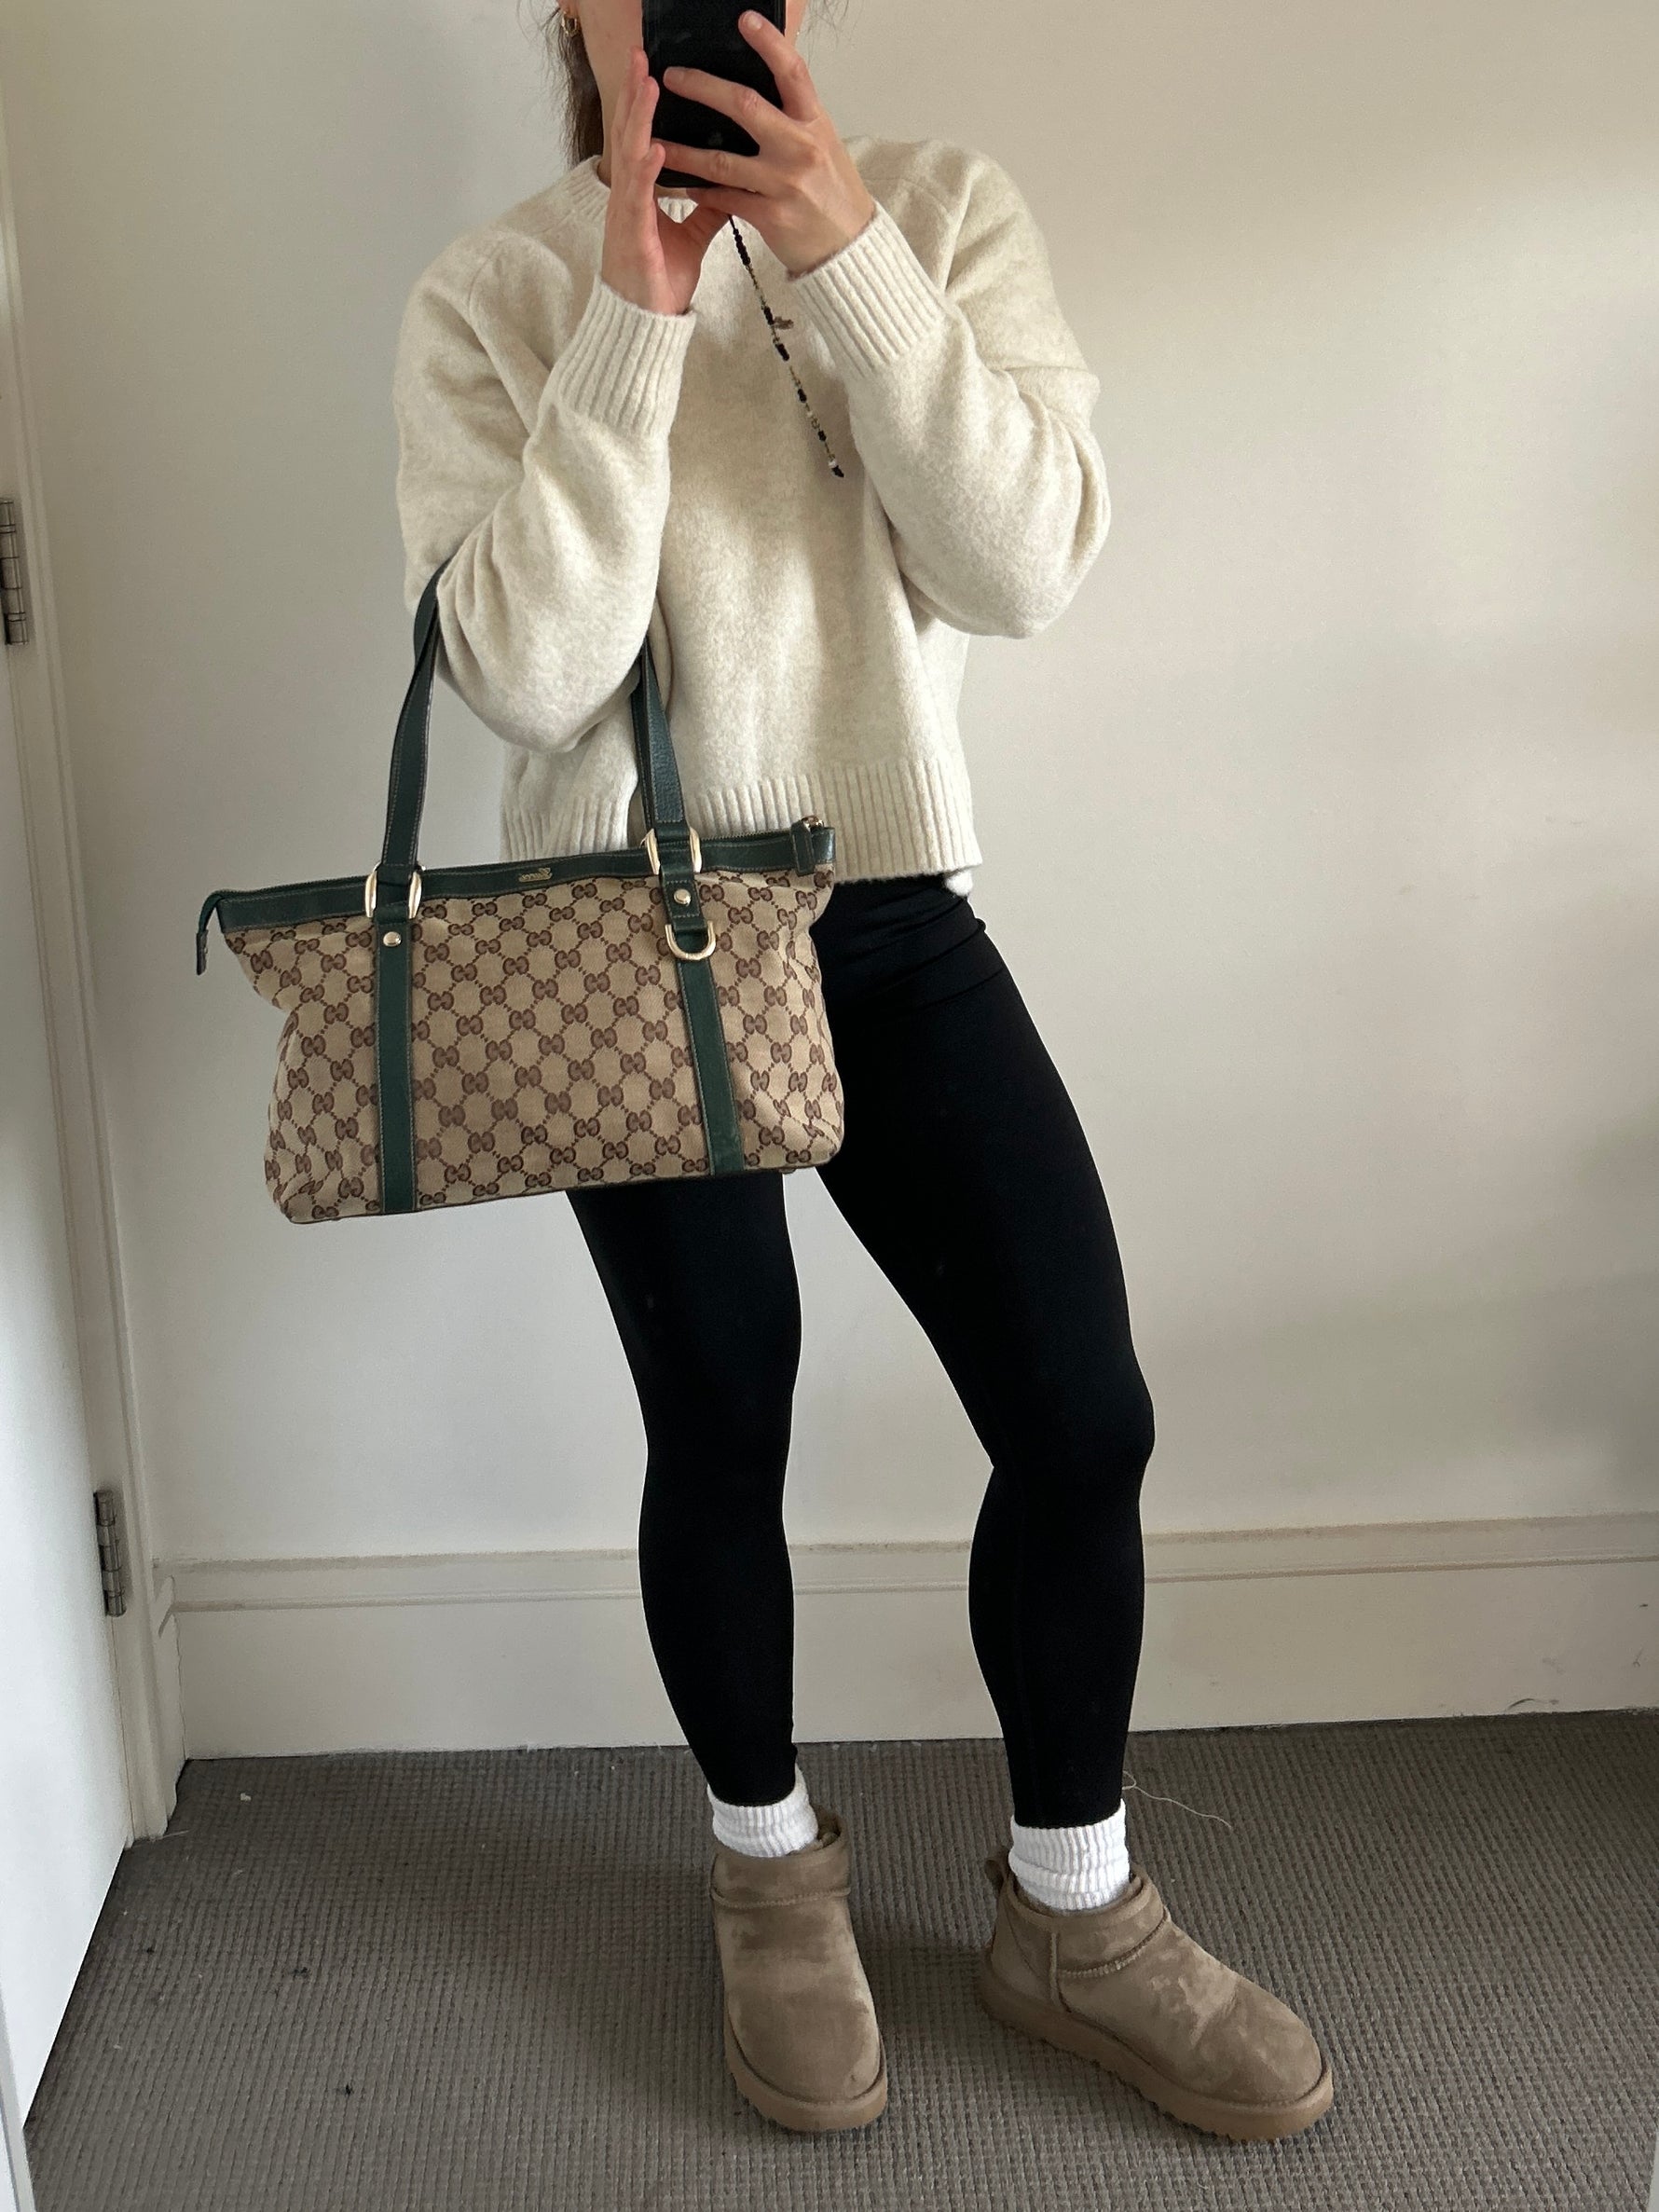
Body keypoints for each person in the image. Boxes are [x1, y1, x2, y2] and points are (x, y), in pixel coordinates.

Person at [391, 0, 1333, 2145]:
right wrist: (635, 309)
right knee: (722, 1419)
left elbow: (1023, 565)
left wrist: (837, 250)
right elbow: (522, 669)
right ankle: (766, 1874)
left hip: (888, 906)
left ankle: (1071, 1908)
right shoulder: (491, 292)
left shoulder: (935, 214)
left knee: (1077, 1409)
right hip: (625, 934)